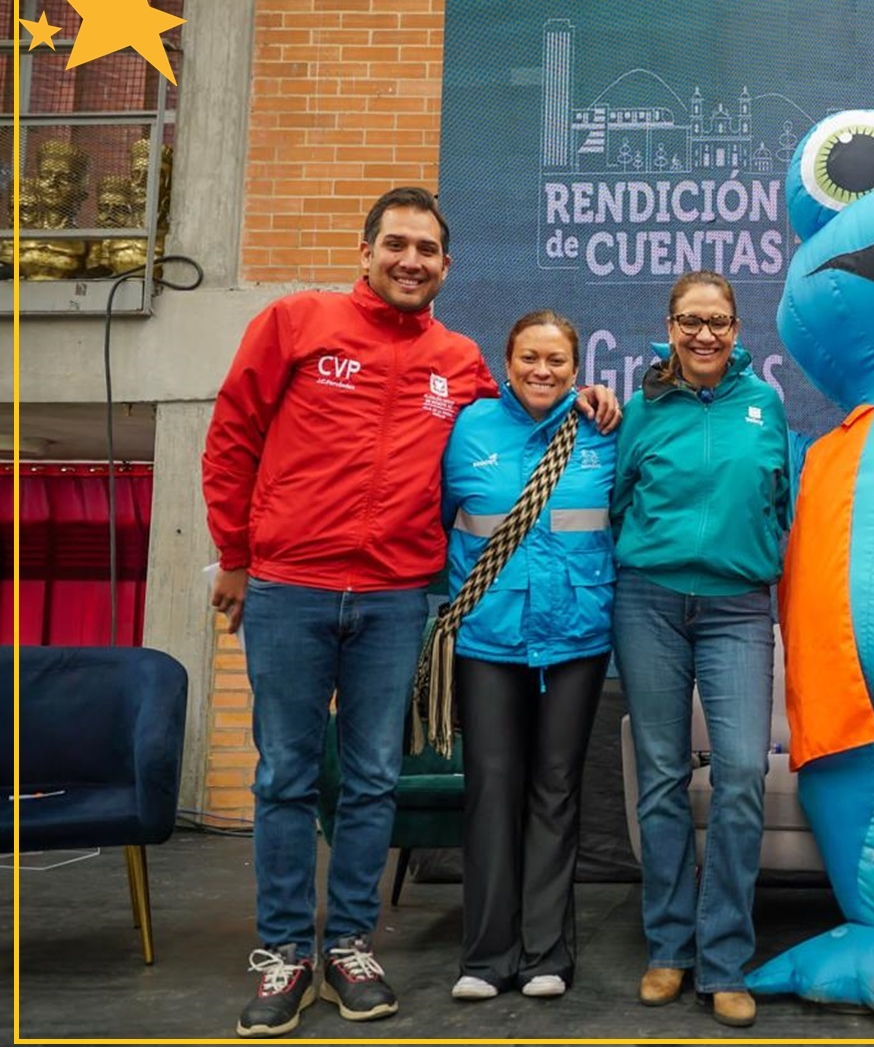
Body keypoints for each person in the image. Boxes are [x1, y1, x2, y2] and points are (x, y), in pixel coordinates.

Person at [203, 187, 619, 1039]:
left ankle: (351, 944)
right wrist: (237, 559)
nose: (410, 260)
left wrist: (591, 401)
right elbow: (233, 434)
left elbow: (522, 414)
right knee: (284, 775)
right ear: (366, 253)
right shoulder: (295, 323)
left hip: (398, 596)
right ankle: (284, 953)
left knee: (371, 782)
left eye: (426, 249)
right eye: (396, 244)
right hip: (291, 586)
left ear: (445, 267)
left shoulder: (459, 360)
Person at [610, 270, 792, 1029]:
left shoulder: (765, 405)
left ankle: (723, 960)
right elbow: (620, 495)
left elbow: (780, 501)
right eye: (691, 321)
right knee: (659, 778)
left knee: (742, 774)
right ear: (670, 324)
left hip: (738, 610)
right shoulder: (642, 407)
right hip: (648, 602)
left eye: (718, 321)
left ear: (738, 328)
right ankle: (669, 951)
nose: (705, 335)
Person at [440, 311, 617, 1003]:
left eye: (556, 361)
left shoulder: (605, 430)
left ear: (578, 370)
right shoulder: (466, 430)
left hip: (575, 638)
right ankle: (485, 958)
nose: (542, 371)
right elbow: (430, 522)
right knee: (490, 789)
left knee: (555, 790)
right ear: (505, 362)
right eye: (529, 358)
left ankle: (547, 954)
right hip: (487, 639)